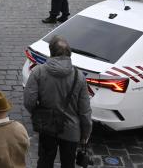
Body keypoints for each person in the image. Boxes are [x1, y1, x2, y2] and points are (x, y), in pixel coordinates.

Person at [24, 37, 92, 168]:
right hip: (71, 130)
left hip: (47, 126)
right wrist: (85, 134)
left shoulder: (38, 72)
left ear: (51, 52)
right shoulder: (79, 77)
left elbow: (29, 101)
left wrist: (38, 114)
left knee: (44, 161)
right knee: (68, 163)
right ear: (69, 53)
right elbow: (85, 111)